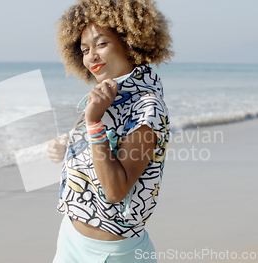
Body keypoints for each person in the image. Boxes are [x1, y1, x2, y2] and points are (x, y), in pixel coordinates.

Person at [47, 0, 173, 262]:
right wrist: (68, 146)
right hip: (69, 239)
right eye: (84, 50)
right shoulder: (106, 95)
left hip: (114, 254)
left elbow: (116, 190)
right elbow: (98, 152)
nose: (91, 56)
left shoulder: (146, 106)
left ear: (129, 42)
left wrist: (93, 123)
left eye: (101, 44)